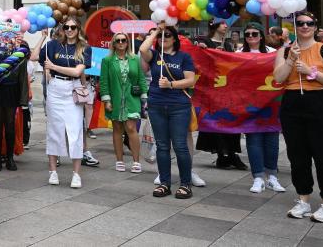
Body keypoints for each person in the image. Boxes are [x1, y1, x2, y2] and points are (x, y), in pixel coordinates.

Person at [273, 11, 323, 223]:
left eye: (309, 23)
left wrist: (312, 73)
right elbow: (278, 78)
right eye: (300, 23)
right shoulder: (285, 51)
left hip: (320, 104)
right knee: (297, 155)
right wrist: (291, 61)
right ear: (295, 26)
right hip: (293, 104)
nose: (304, 26)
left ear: (315, 26)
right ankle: (303, 199)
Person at [140, 25, 196, 199]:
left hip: (179, 106)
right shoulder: (155, 55)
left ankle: (185, 184)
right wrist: (157, 31)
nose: (164, 38)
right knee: (162, 146)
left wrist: (171, 84)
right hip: (157, 104)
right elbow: (143, 48)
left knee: (180, 146)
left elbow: (190, 80)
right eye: (162, 36)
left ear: (175, 39)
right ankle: (165, 183)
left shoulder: (184, 57)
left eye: (168, 35)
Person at [37, 16, 92, 189]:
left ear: (78, 29)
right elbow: (33, 57)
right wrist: (41, 37)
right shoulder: (53, 44)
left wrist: (53, 67)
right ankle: (52, 171)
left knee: (75, 130)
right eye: (66, 27)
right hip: (55, 88)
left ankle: (76, 174)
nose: (69, 30)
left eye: (73, 27)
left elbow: (77, 72)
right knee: (54, 129)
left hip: (73, 88)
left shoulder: (84, 48)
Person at [194, 21, 246, 171]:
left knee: (230, 120)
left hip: (227, 89)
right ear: (215, 26)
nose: (225, 26)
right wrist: (204, 50)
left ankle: (232, 153)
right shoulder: (205, 42)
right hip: (211, 90)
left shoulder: (229, 45)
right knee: (216, 121)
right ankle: (222, 154)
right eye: (222, 23)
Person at [240, 21, 284, 194]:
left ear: (261, 36)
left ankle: (272, 176)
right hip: (249, 103)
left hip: (271, 102)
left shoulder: (273, 53)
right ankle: (258, 177)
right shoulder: (238, 53)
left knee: (272, 140)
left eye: (254, 34)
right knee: (253, 141)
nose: (251, 37)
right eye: (248, 34)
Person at [100, 32, 146, 173]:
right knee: (117, 129)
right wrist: (106, 100)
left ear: (127, 42)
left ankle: (136, 161)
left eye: (123, 40)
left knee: (131, 128)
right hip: (114, 99)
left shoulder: (135, 59)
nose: (121, 43)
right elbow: (104, 82)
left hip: (132, 99)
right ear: (113, 43)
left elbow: (141, 79)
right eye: (118, 40)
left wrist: (145, 98)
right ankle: (119, 160)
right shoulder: (107, 60)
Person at [0, 35, 29, 172]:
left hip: (11, 89)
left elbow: (23, 76)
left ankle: (10, 158)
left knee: (10, 124)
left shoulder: (19, 52)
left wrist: (23, 98)